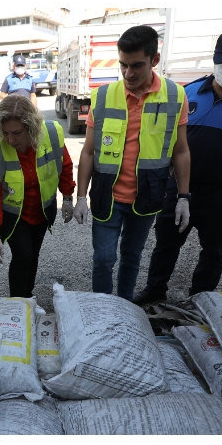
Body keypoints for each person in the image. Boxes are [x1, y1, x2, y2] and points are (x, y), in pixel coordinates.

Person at [133, 28, 222, 305]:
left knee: (213, 249)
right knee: (166, 243)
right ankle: (154, 291)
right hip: (178, 188)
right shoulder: (188, 92)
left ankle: (200, 299)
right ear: (214, 58)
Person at [73, 25, 191, 302]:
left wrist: (184, 196)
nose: (129, 74)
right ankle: (102, 307)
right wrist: (80, 196)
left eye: (137, 65)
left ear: (155, 60)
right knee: (103, 259)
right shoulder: (102, 97)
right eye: (123, 65)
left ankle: (124, 306)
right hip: (108, 196)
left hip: (147, 196)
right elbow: (88, 151)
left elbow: (181, 150)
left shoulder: (175, 96)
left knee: (132, 256)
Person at [0, 95, 76, 298]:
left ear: (31, 128)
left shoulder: (51, 134)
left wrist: (67, 198)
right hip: (14, 214)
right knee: (23, 256)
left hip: (42, 210)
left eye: (16, 133)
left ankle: (28, 297)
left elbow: (65, 166)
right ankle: (18, 303)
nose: (10, 139)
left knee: (33, 257)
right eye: (5, 133)